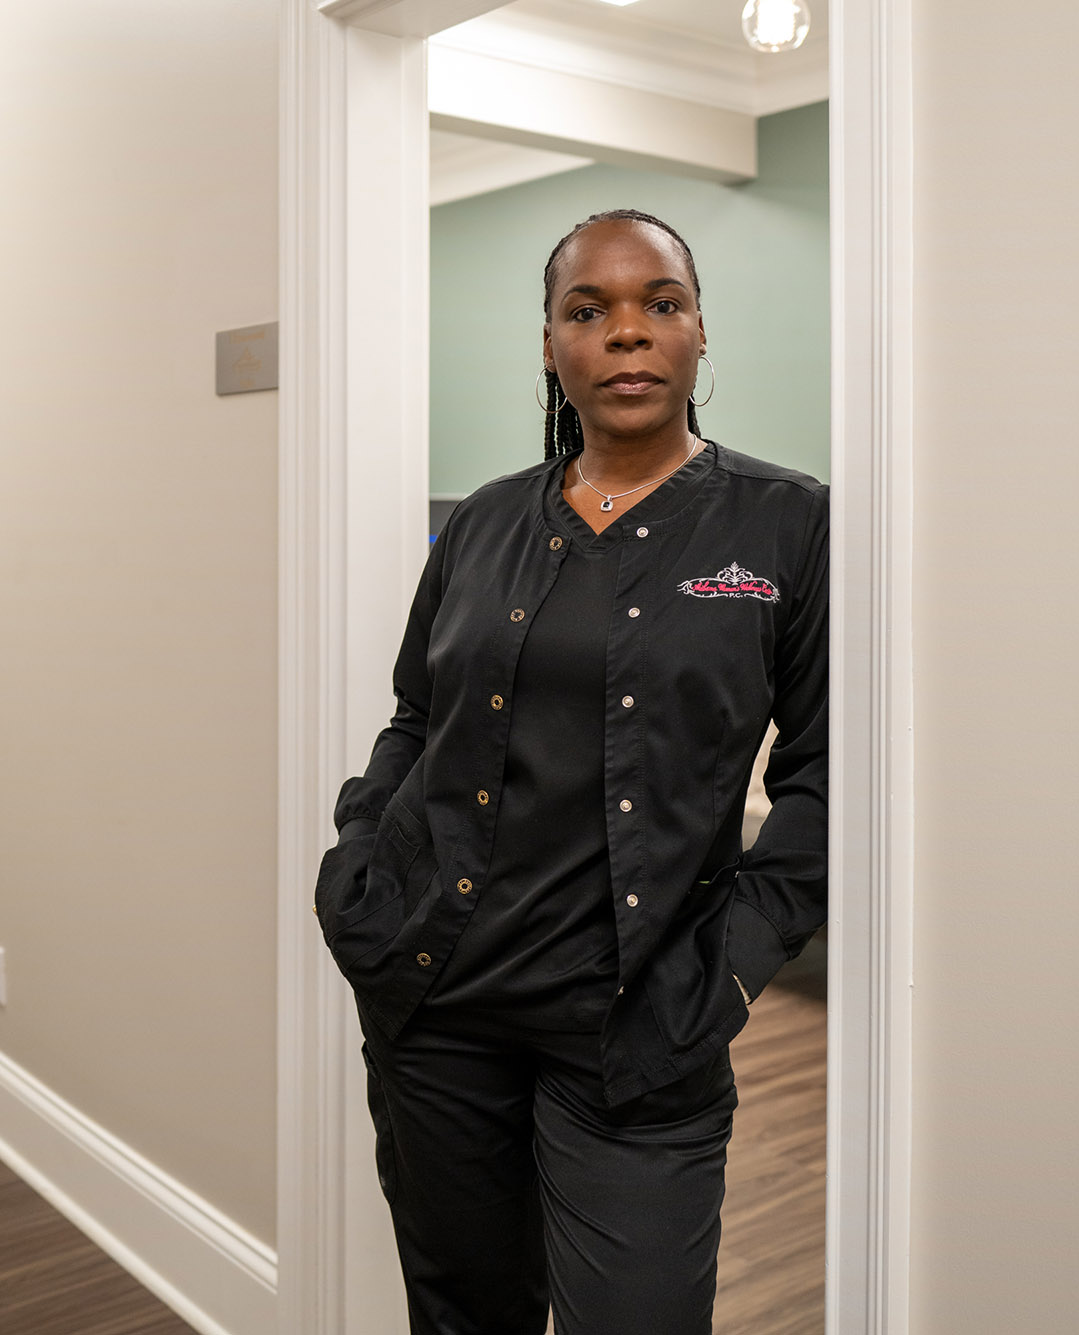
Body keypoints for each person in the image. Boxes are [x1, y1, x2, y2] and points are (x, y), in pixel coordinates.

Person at [310, 208, 828, 1335]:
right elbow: (416, 715)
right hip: (438, 1002)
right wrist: (357, 866)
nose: (626, 335)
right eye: (586, 311)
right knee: (464, 1316)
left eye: (660, 304)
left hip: (640, 1026)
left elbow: (824, 781)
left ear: (698, 334)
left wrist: (730, 968)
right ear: (549, 346)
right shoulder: (487, 522)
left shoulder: (787, 527)